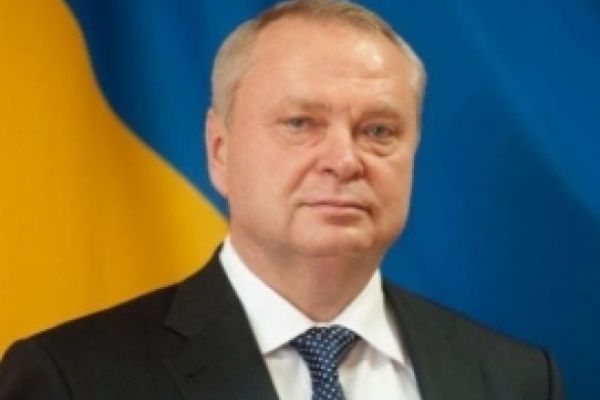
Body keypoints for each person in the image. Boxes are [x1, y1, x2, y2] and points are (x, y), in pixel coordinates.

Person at [0, 0, 564, 399]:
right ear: (219, 151)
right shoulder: (73, 379)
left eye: (379, 131)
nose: (344, 160)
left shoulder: (515, 381)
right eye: (300, 123)